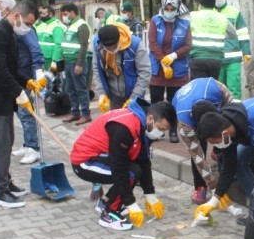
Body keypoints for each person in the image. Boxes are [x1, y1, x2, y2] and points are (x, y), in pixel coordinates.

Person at [70, 98, 177, 230]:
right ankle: (109, 214)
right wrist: (130, 202)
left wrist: (150, 194)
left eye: (164, 131)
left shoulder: (143, 125)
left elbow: (143, 160)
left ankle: (105, 202)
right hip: (85, 162)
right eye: (160, 129)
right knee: (131, 172)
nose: (160, 134)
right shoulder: (125, 128)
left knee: (135, 168)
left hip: (102, 157)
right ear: (150, 119)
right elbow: (118, 168)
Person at [0, 0, 42, 208]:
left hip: (3, 100)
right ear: (17, 16)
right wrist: (18, 92)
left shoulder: (9, 33)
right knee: (1, 147)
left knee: (8, 142)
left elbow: (11, 69)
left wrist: (27, 82)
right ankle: (0, 191)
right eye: (28, 24)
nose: (28, 28)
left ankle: (6, 182)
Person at [0, 0, 46, 165]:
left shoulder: (25, 29)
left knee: (26, 112)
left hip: (25, 76)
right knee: (21, 111)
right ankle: (27, 144)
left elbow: (35, 50)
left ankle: (33, 148)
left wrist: (38, 71)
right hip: (18, 75)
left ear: (10, 10)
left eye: (0, 8)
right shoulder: (14, 29)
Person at [172, 77, 235, 203]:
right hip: (184, 104)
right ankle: (200, 187)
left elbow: (235, 114)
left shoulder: (218, 91)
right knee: (199, 146)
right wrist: (215, 187)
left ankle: (218, 153)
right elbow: (197, 156)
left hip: (208, 89)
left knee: (226, 130)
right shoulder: (184, 122)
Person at [148, 0, 193, 143]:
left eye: (172, 9)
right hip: (158, 69)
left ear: (177, 8)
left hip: (178, 69)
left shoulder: (185, 24)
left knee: (174, 102)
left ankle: (173, 130)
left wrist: (173, 56)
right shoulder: (155, 21)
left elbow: (188, 45)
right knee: (156, 100)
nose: (169, 12)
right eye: (166, 9)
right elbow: (152, 43)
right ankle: (154, 130)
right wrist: (162, 60)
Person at [93, 23, 150, 112]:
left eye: (114, 47)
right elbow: (97, 68)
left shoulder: (136, 45)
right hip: (113, 95)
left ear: (119, 39)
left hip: (133, 92)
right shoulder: (98, 45)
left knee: (135, 123)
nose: (112, 50)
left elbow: (145, 72)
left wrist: (134, 97)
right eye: (108, 48)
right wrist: (101, 93)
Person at [211, 0, 251, 99]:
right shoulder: (210, 13)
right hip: (216, 58)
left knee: (234, 90)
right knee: (217, 90)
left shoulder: (234, 12)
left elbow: (242, 33)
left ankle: (236, 113)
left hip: (233, 58)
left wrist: (246, 51)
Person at [189, 0, 237, 80]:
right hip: (216, 59)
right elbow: (233, 34)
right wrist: (221, 35)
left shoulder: (193, 15)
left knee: (198, 87)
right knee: (211, 86)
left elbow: (185, 32)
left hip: (198, 57)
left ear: (201, 4)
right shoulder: (223, 18)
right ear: (213, 5)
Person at [60, 3, 92, 125]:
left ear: (73, 13)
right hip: (68, 62)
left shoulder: (81, 25)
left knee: (81, 89)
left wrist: (79, 64)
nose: (64, 17)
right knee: (70, 89)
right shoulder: (70, 25)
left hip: (77, 62)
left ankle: (85, 114)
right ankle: (75, 113)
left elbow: (83, 46)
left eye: (65, 14)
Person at [36, 4, 65, 72]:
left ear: (51, 14)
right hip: (45, 58)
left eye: (43, 13)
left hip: (51, 59)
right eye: (41, 13)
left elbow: (58, 45)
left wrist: (54, 61)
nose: (41, 16)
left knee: (52, 79)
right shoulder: (47, 24)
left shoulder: (56, 26)